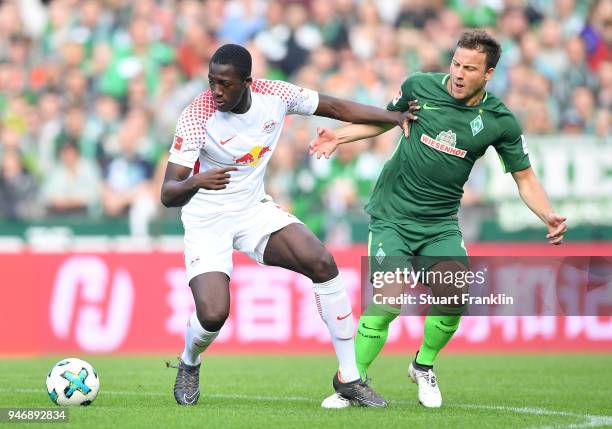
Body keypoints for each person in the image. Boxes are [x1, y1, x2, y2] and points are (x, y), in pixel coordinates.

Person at [310, 30, 568, 409]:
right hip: (392, 217)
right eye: (456, 64)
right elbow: (386, 120)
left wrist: (548, 214)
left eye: (470, 68)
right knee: (388, 300)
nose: (460, 74)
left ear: (489, 74)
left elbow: (524, 176)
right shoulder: (419, 86)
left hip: (440, 224)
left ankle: (422, 365)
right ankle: (351, 383)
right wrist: (340, 136)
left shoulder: (500, 121)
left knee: (454, 297)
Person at [160, 44, 417, 407]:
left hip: (253, 210)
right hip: (206, 217)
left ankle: (350, 377)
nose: (215, 91)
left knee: (323, 263)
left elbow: (337, 107)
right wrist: (196, 182)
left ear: (247, 83)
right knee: (214, 314)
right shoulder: (197, 115)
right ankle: (189, 361)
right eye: (212, 81)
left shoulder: (276, 95)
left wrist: (391, 117)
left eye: (225, 84)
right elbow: (168, 193)